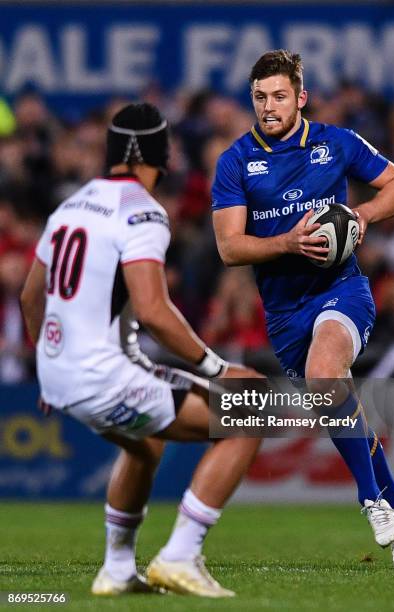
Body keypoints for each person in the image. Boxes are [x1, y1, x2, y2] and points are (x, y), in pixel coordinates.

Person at [20, 103, 261, 598]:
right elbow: (153, 310)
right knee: (251, 409)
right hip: (102, 376)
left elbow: (30, 295)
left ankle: (116, 569)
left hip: (61, 375)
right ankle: (179, 556)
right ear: (160, 154)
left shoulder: (70, 205)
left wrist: (48, 363)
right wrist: (216, 368)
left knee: (145, 445)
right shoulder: (143, 210)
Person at [212, 50, 394, 570]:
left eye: (279, 95)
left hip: (341, 292)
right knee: (337, 401)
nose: (268, 106)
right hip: (284, 313)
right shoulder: (235, 161)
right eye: (260, 97)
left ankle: (370, 502)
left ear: (300, 97)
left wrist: (363, 214)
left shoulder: (337, 143)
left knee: (325, 375)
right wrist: (287, 243)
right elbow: (229, 247)